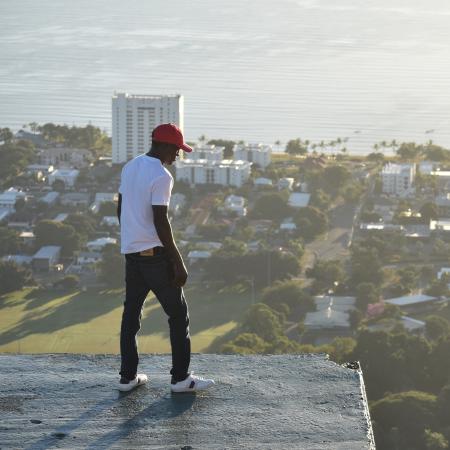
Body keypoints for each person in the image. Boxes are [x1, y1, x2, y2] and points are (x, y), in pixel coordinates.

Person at [116, 123, 215, 393]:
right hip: (155, 258)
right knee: (178, 315)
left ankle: (128, 378)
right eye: (177, 150)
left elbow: (121, 208)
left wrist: (130, 238)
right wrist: (177, 260)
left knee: (131, 317)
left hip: (132, 254)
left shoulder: (131, 166)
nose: (178, 156)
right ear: (165, 146)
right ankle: (181, 379)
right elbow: (161, 221)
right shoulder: (162, 176)